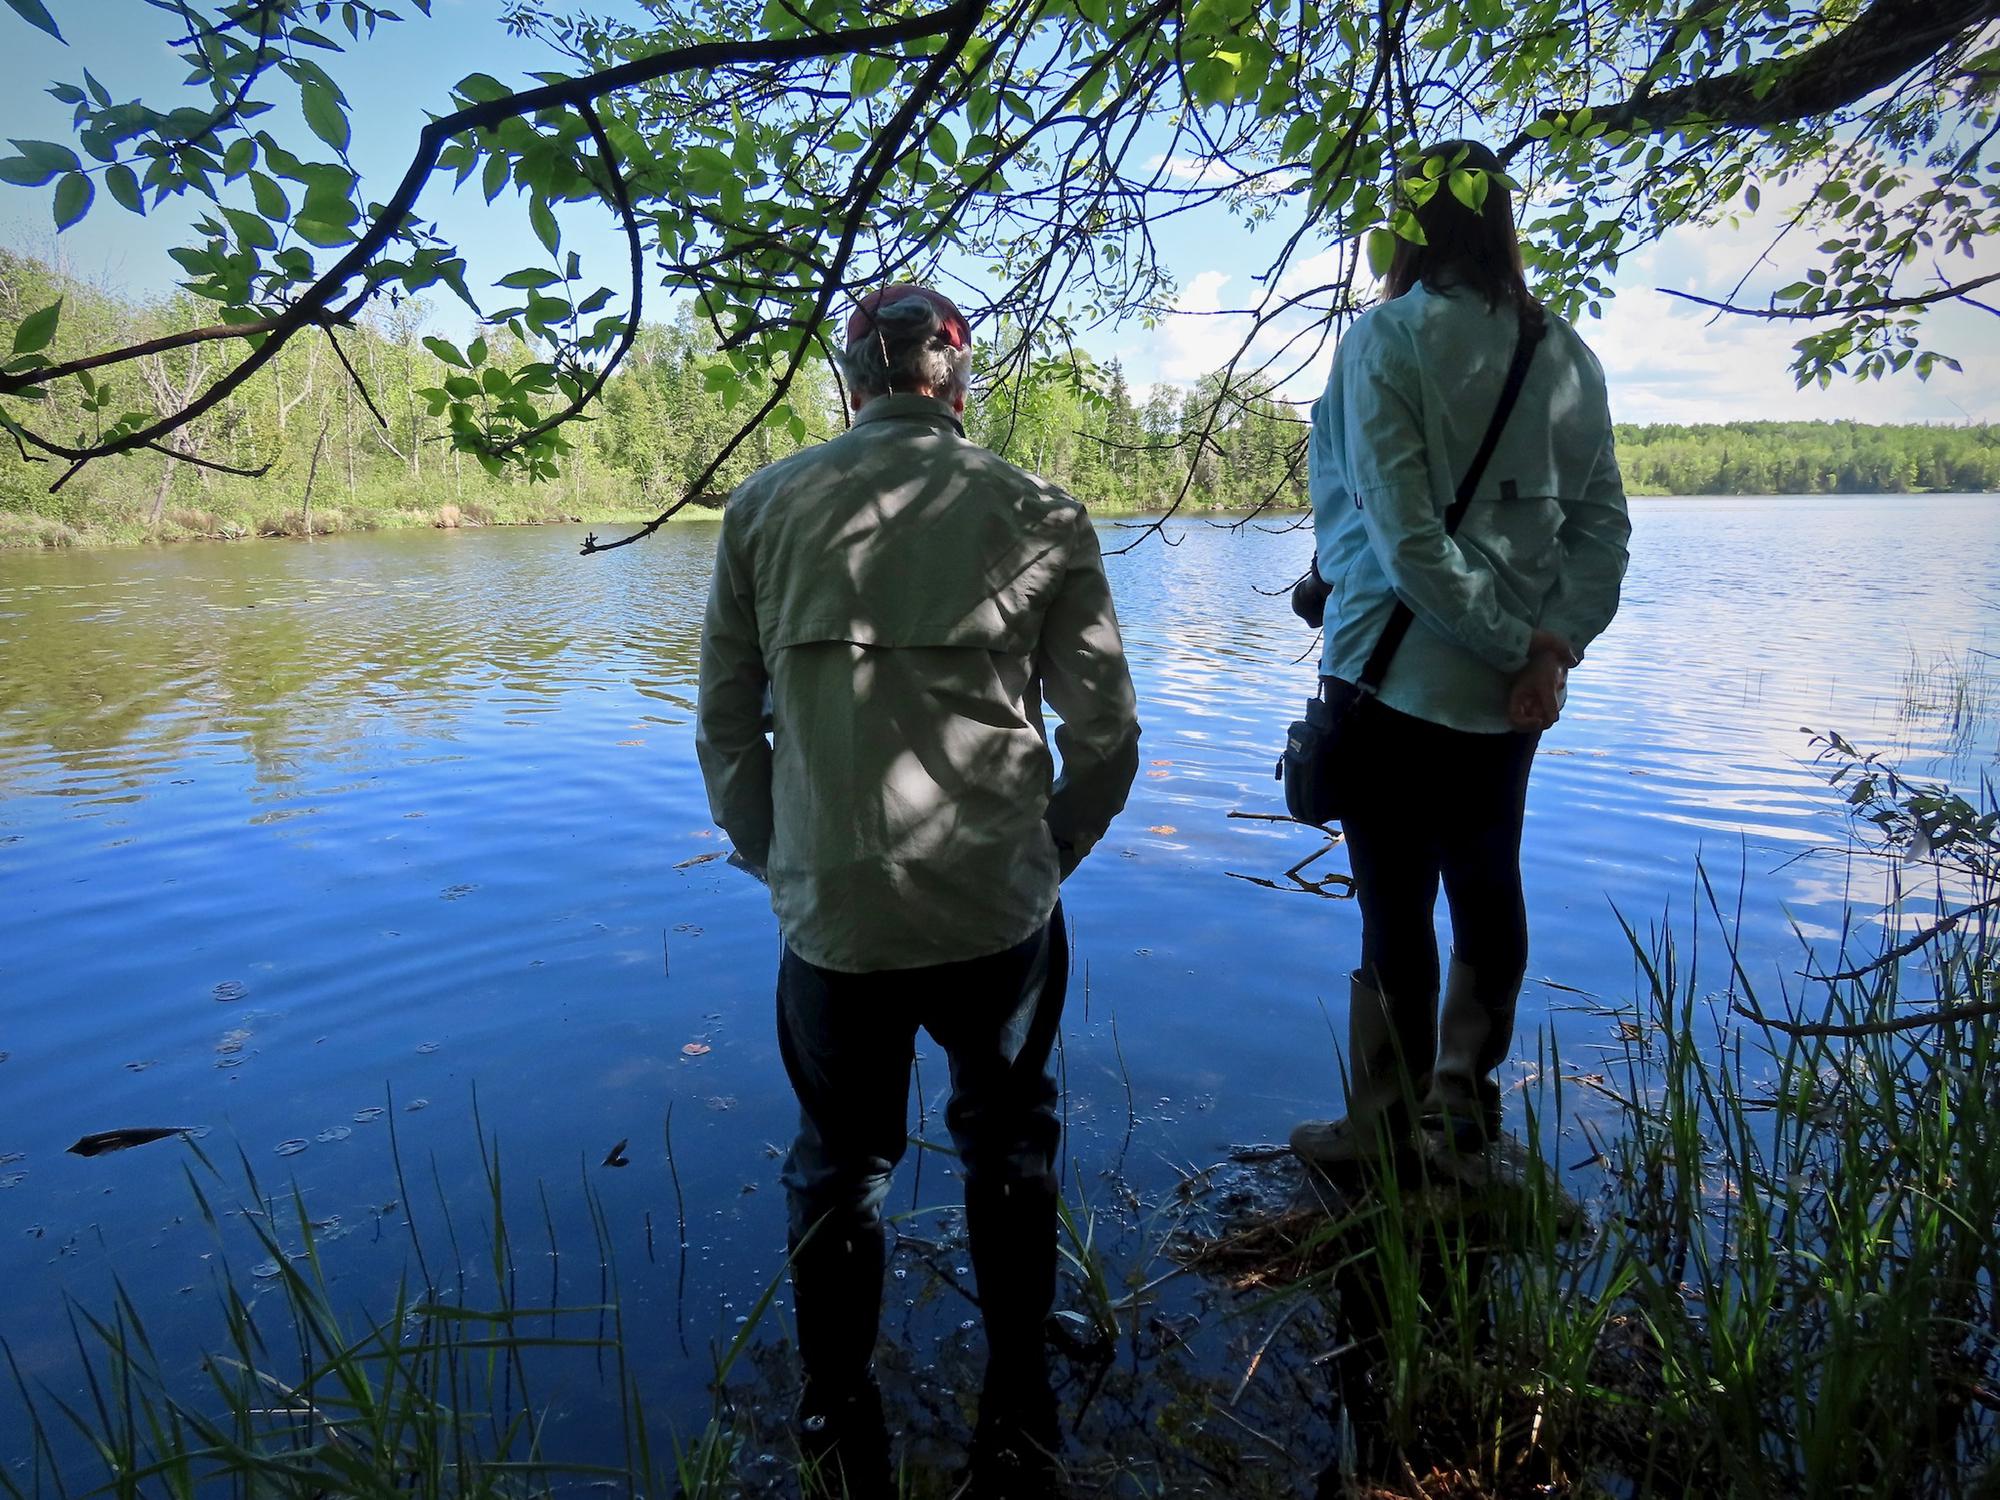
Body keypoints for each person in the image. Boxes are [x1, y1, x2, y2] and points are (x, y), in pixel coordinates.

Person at [695, 284, 1141, 1497]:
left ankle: (837, 1414)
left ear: (851, 382)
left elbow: (727, 732)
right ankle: (1018, 1389)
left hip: (834, 913)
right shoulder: (1038, 511)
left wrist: (777, 858)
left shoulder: (763, 509)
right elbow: (1104, 736)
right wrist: (1049, 855)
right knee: (1007, 1140)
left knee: (839, 1164)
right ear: (957, 381)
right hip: (997, 904)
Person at [1287, 140, 1631, 1175]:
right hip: (1503, 698)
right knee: (1487, 885)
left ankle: (1381, 1128)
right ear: (1499, 226)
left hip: (1387, 675)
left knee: (1394, 898)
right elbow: (1601, 528)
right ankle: (1462, 1124)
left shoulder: (1382, 341)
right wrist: (1546, 652)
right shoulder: (1561, 351)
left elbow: (1401, 543)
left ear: (1408, 229)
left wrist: (1517, 645)